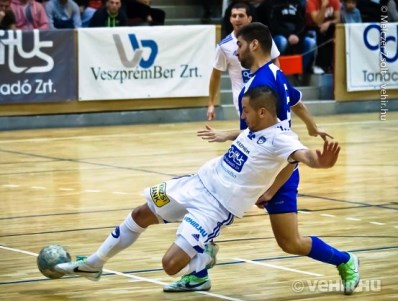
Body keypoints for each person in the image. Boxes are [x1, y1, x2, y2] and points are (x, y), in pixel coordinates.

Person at [54, 86, 341, 297]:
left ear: (263, 112)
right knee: (141, 213)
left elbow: (303, 156)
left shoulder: (283, 139)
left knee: (170, 265)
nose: (242, 115)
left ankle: (203, 255)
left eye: (246, 111)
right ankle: (94, 264)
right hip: (195, 183)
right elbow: (246, 135)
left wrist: (321, 162)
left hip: (214, 208)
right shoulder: (256, 128)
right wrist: (225, 135)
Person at [165, 23, 360, 296]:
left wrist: (276, 183)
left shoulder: (262, 82)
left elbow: (280, 140)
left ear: (254, 45)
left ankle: (345, 260)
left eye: (240, 46)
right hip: (256, 167)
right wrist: (312, 128)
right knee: (205, 207)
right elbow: (297, 103)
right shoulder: (272, 73)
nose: (236, 51)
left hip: (275, 171)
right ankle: (198, 272)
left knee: (290, 243)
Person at [207, 1, 280, 121]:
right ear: (230, 19)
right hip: (243, 100)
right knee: (253, 133)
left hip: (266, 94)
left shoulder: (263, 37)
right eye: (234, 16)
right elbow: (215, 75)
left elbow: (275, 60)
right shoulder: (223, 46)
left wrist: (277, 86)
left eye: (241, 15)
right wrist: (211, 103)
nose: (237, 19)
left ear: (249, 18)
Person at [256, 0, 316, 75]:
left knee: (311, 42)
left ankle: (300, 73)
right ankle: (276, 73)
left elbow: (302, 23)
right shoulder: (270, 4)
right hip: (277, 36)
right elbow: (272, 25)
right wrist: (288, 35)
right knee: (282, 41)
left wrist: (297, 35)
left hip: (296, 36)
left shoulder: (297, 3)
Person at [306, 0, 340, 74]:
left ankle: (329, 65)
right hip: (312, 27)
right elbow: (317, 21)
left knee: (333, 30)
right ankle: (317, 65)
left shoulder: (334, 1)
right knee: (319, 31)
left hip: (327, 27)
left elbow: (338, 19)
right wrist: (324, 6)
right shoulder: (311, 2)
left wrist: (329, 23)